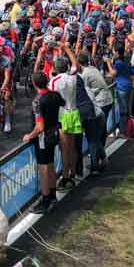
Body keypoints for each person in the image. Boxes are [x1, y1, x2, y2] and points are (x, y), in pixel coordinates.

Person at [22, 72, 63, 213]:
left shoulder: (37, 101)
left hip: (43, 139)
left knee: (44, 168)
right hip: (54, 133)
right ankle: (52, 195)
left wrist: (29, 136)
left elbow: (39, 126)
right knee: (50, 165)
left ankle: (45, 200)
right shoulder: (55, 95)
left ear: (34, 84)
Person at [47, 54, 80, 189]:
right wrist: (66, 49)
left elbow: (50, 94)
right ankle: (72, 173)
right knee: (71, 147)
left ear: (55, 68)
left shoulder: (54, 81)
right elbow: (75, 65)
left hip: (63, 116)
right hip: (74, 112)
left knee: (65, 149)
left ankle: (66, 177)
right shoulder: (72, 77)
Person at [77, 51, 111, 174]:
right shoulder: (93, 69)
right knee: (97, 137)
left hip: (99, 106)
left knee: (93, 139)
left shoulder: (84, 77)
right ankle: (102, 158)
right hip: (105, 102)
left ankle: (95, 164)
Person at [106, 43, 134, 137]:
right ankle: (128, 128)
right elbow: (133, 71)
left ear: (116, 52)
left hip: (122, 88)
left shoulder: (118, 63)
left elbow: (112, 74)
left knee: (123, 110)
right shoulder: (127, 59)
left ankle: (123, 131)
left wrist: (108, 63)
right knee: (128, 108)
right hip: (129, 86)